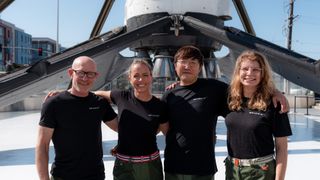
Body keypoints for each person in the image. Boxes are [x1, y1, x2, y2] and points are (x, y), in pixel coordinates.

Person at [161, 45, 288, 180]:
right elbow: (165, 128)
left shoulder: (214, 88)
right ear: (175, 65)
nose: (187, 66)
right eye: (183, 62)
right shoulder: (169, 95)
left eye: (193, 62)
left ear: (200, 67)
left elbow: (249, 85)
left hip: (206, 169)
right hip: (178, 167)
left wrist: (275, 92)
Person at [35, 56, 118, 180]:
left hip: (95, 176)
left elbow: (122, 127)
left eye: (90, 74)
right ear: (71, 73)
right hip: (63, 176)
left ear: (96, 76)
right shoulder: (54, 104)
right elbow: (42, 145)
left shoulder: (99, 103)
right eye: (80, 73)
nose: (85, 78)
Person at [95, 59, 169, 180]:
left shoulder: (160, 106)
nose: (141, 80)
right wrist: (65, 94)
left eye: (145, 75)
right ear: (130, 78)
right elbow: (95, 94)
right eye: (136, 76)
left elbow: (165, 133)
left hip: (150, 167)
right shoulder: (121, 96)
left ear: (151, 77)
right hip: (123, 167)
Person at [224, 50, 292, 180]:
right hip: (232, 170)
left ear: (262, 73)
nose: (249, 73)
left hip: (261, 171)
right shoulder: (228, 98)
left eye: (255, 69)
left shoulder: (274, 103)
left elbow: (282, 147)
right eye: (245, 69)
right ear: (238, 71)